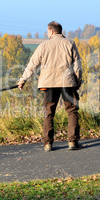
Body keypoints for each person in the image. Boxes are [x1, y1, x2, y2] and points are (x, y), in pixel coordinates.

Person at [18, 21, 82, 152]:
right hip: (67, 82)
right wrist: (77, 82)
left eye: (47, 32)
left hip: (48, 84)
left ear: (51, 32)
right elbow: (77, 67)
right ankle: (73, 142)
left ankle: (48, 144)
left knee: (49, 112)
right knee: (72, 111)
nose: (47, 34)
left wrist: (23, 80)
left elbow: (32, 65)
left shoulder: (43, 46)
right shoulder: (70, 44)